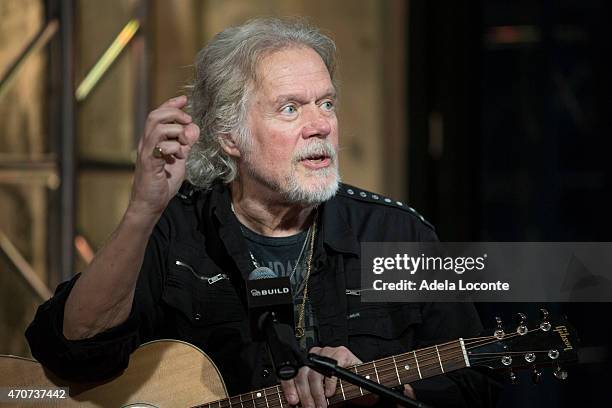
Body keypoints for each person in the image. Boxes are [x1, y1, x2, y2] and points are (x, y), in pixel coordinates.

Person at [26, 17, 501, 407]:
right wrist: (142, 211)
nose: (320, 125)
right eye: (290, 109)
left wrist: (384, 392)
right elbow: (71, 352)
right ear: (230, 136)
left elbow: (478, 385)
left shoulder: (400, 234)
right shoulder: (176, 230)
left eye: (327, 103)